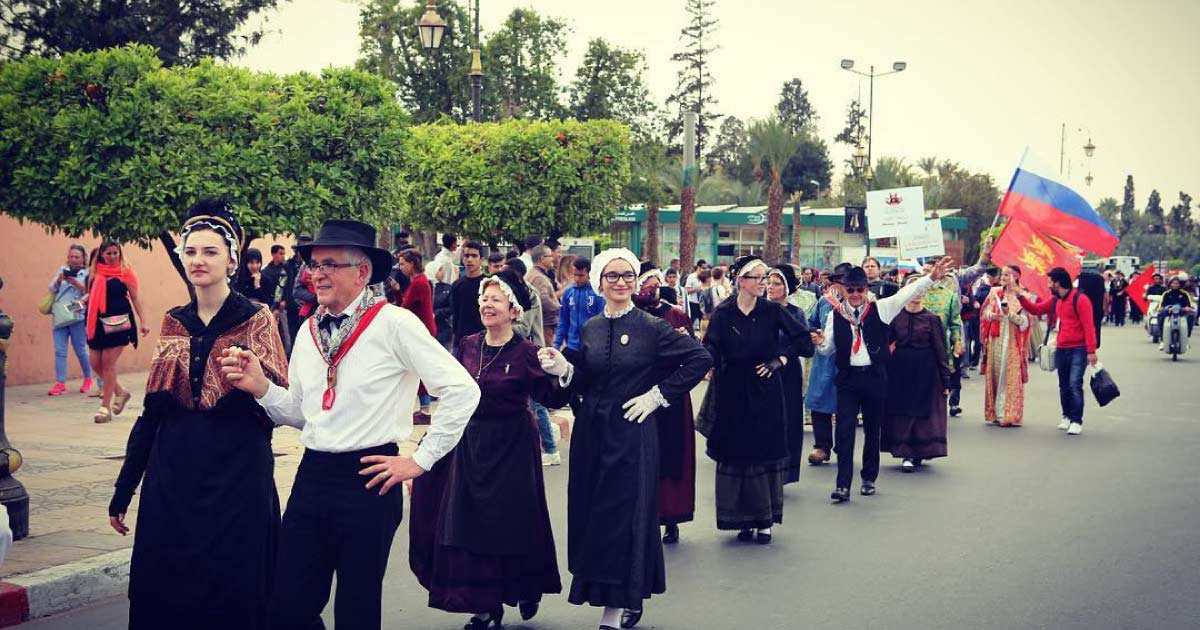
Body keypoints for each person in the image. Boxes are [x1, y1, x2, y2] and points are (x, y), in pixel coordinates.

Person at [220, 219, 480, 630]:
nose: (316, 274)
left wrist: (420, 460)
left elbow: (463, 390)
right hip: (313, 476)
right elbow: (301, 412)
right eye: (313, 265)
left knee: (356, 610)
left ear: (361, 273)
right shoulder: (308, 330)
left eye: (329, 264)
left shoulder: (395, 324)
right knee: (287, 606)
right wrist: (260, 386)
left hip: (370, 477)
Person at [108, 200, 289, 630]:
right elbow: (152, 413)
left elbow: (278, 405)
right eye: (190, 251)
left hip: (237, 481)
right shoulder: (174, 322)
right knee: (167, 593)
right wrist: (124, 489)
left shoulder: (256, 319)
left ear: (231, 260)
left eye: (209, 251)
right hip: (172, 482)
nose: (198, 260)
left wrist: (253, 381)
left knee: (234, 591)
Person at [557, 248, 710, 630]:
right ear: (599, 282)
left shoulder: (651, 326)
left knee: (624, 516)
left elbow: (699, 358)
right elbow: (588, 380)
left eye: (628, 275)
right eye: (612, 276)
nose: (621, 282)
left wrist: (657, 396)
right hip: (592, 433)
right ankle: (604, 594)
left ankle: (618, 604)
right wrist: (564, 370)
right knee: (594, 513)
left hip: (631, 432)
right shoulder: (591, 326)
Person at [410, 270, 566, 630]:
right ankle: (484, 605)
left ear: (513, 310)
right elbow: (450, 393)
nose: (486, 304)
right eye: (484, 299)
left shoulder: (527, 353)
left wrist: (560, 371)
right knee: (470, 524)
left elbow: (551, 398)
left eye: (495, 299)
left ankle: (526, 587)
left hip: (513, 447)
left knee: (513, 523)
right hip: (471, 443)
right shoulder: (467, 345)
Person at [813, 257, 956, 502]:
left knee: (872, 431)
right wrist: (819, 343)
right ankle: (843, 484)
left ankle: (869, 478)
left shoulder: (881, 308)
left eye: (860, 289)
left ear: (866, 290)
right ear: (843, 290)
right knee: (845, 432)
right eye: (851, 290)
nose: (855, 294)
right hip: (848, 380)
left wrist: (931, 277)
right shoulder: (835, 315)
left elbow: (909, 291)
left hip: (874, 377)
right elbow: (828, 349)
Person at [704, 256, 812, 543]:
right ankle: (741, 519)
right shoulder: (724, 312)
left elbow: (804, 341)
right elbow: (711, 348)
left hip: (766, 390)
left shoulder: (772, 311)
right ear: (741, 281)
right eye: (759, 278)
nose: (765, 283)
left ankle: (764, 521)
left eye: (767, 278)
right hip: (732, 391)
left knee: (763, 452)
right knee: (737, 454)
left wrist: (780, 359)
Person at [633, 263, 697, 546]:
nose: (652, 287)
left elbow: (696, 354)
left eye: (655, 282)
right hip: (637, 392)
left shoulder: (676, 315)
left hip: (672, 395)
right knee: (640, 457)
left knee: (671, 456)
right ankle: (641, 518)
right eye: (647, 283)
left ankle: (671, 518)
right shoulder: (630, 316)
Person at [882, 274, 953, 471]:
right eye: (913, 289)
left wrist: (946, 381)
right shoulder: (895, 318)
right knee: (902, 412)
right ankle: (905, 453)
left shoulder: (932, 319)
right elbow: (885, 345)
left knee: (921, 413)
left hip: (926, 372)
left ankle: (918, 452)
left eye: (921, 290)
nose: (917, 294)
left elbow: (941, 351)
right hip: (900, 371)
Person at [1016, 267, 1098, 436]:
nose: (1048, 285)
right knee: (1064, 386)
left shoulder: (1081, 300)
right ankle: (1066, 416)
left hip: (1079, 349)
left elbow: (1089, 327)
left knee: (1075, 384)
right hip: (1061, 348)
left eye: (1050, 282)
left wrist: (1091, 351)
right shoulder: (1055, 300)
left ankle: (1076, 421)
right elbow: (1036, 309)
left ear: (1058, 282)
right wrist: (1020, 296)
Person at [86, 240, 150, 424]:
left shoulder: (125, 273)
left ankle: (105, 409)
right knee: (96, 365)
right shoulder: (94, 274)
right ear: (101, 255)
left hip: (118, 323)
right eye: (109, 253)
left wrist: (143, 321)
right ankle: (120, 392)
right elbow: (91, 296)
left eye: (116, 253)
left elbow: (136, 298)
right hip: (96, 324)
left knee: (108, 365)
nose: (113, 256)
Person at [765, 264, 812, 485]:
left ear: (787, 288)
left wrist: (784, 357)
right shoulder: (760, 310)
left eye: (776, 283)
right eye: (768, 282)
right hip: (764, 373)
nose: (770, 287)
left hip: (788, 374)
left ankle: (784, 473)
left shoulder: (796, 313)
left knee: (789, 421)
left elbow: (802, 343)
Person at [805, 263, 849, 466]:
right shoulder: (824, 301)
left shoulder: (863, 303)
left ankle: (843, 446)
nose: (842, 286)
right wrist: (816, 333)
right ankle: (822, 446)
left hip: (848, 361)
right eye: (839, 281)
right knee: (820, 403)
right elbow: (811, 323)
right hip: (824, 360)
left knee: (845, 406)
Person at [980, 266, 1032, 427]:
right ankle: (995, 412)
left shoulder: (1023, 296)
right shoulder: (995, 292)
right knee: (995, 374)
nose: (1003, 277)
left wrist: (1009, 314)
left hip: (1012, 340)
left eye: (1007, 274)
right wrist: (991, 316)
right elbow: (984, 313)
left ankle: (1007, 413)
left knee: (1007, 375)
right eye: (1002, 274)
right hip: (995, 339)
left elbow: (1025, 323)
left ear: (1016, 277)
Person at [918, 258, 964, 416]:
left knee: (940, 382)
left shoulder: (950, 296)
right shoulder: (915, 292)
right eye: (925, 271)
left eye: (931, 270)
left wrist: (957, 342)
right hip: (915, 345)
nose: (928, 274)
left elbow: (955, 323)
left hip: (941, 346)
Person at [47, 244, 93, 396]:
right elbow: (51, 289)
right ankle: (60, 383)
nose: (73, 259)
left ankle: (88, 378)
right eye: (71, 256)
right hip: (60, 315)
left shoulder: (87, 274)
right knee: (60, 351)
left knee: (80, 349)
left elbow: (90, 293)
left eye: (76, 257)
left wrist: (76, 283)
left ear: (83, 259)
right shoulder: (62, 270)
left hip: (76, 314)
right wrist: (60, 280)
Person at [398, 249, 438, 422]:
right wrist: (397, 291)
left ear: (411, 264)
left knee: (419, 371)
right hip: (423, 328)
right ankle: (424, 408)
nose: (400, 268)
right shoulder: (418, 281)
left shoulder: (419, 283)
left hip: (422, 330)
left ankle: (426, 411)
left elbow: (404, 307)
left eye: (402, 264)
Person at [556, 257, 605, 352]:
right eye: (575, 275)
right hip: (572, 346)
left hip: (592, 347)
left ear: (589, 274)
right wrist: (556, 345)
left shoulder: (597, 293)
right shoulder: (568, 292)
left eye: (581, 275)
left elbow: (602, 321)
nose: (577, 279)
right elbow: (563, 321)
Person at [450, 240, 487, 344]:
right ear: (462, 259)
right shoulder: (457, 285)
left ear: (482, 260)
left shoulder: (488, 284)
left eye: (474, 256)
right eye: (466, 256)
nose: (470, 259)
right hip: (461, 340)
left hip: (483, 339)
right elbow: (455, 316)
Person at [261, 244, 293, 353]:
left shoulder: (287, 269)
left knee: (286, 334)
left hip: (283, 307)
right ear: (273, 254)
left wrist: (284, 301)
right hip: (270, 307)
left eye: (283, 253)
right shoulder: (265, 272)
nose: (283, 256)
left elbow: (289, 286)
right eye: (280, 253)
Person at [527, 245, 561, 346]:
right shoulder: (539, 277)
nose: (553, 258)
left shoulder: (533, 273)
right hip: (544, 325)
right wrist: (558, 308)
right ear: (542, 259)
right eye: (550, 256)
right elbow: (543, 300)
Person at [284, 235, 312, 343]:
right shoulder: (288, 265)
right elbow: (291, 289)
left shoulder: (314, 263)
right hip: (293, 307)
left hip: (313, 311)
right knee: (295, 339)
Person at [1157, 276, 1195, 346]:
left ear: (1180, 284)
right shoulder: (1166, 293)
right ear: (1170, 284)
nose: (1175, 285)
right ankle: (1162, 339)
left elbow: (1190, 306)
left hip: (1181, 312)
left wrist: (1187, 308)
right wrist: (1165, 308)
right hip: (1168, 312)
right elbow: (1161, 306)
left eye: (1177, 283)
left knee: (1191, 316)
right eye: (1173, 283)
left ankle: (1186, 338)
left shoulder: (1185, 293)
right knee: (1159, 316)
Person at [430, 260, 454, 350]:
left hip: (444, 329)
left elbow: (451, 308)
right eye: (439, 270)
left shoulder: (447, 288)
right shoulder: (426, 287)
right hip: (428, 329)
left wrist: (436, 314)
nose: (442, 273)